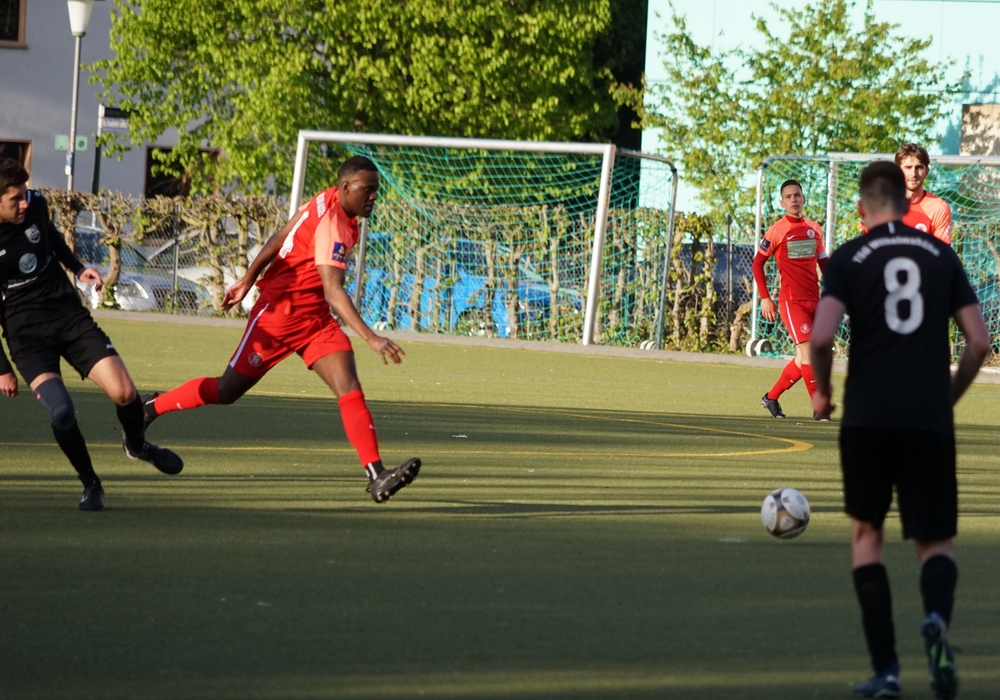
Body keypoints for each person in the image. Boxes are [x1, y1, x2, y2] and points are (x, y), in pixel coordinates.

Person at [143, 156, 420, 504]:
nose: (374, 196)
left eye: (376, 190)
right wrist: (372, 337)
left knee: (349, 388)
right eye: (368, 189)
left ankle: (376, 475)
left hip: (315, 321)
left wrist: (248, 278)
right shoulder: (333, 225)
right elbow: (333, 290)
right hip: (278, 317)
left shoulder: (325, 199)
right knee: (227, 390)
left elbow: (281, 236)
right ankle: (150, 407)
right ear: (346, 187)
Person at [810, 160, 989, 699]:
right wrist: (947, 397)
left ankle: (887, 670)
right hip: (927, 417)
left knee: (868, 537)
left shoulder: (849, 256)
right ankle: (935, 620)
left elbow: (821, 338)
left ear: (861, 206)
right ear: (907, 204)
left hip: (867, 416)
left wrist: (822, 393)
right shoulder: (940, 254)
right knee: (935, 542)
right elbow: (979, 342)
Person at [0, 158, 183, 511]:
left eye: (25, 193)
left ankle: (137, 446)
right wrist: (3, 368)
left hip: (69, 318)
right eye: (15, 198)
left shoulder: (35, 204)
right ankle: (90, 483)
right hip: (27, 337)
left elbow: (50, 236)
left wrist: (78, 267)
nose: (24, 202)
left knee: (125, 393)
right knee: (62, 414)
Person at [753, 179, 829, 420]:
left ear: (803, 198)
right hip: (791, 301)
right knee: (810, 354)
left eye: (797, 195)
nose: (793, 199)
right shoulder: (777, 230)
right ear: (782, 202)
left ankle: (771, 397)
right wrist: (765, 298)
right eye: (788, 196)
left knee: (802, 358)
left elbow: (823, 261)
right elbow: (757, 264)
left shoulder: (814, 228)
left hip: (814, 299)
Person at [896, 143, 952, 244]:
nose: (913, 174)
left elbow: (941, 251)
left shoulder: (938, 208)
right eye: (908, 167)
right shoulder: (881, 205)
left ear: (926, 171)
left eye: (919, 168)